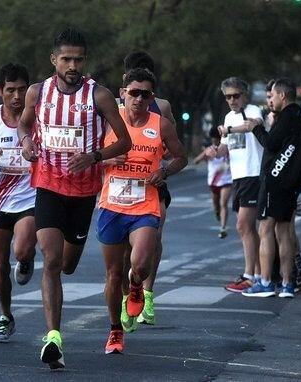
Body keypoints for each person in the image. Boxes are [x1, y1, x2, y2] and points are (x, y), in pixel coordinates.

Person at [17, 28, 131, 369]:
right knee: (51, 260)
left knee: (67, 264)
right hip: (48, 185)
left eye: (78, 59)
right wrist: (25, 143)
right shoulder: (38, 93)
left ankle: (55, 330)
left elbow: (123, 142)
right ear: (54, 60)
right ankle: (53, 337)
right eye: (66, 58)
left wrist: (94, 156)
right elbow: (24, 126)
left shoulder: (100, 96)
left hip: (83, 192)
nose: (72, 65)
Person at [99, 68, 186, 355]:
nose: (138, 98)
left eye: (145, 94)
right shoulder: (109, 121)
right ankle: (115, 330)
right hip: (112, 205)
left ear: (152, 97)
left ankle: (137, 285)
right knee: (113, 274)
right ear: (122, 92)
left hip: (145, 204)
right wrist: (108, 160)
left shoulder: (161, 125)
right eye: (133, 92)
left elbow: (181, 157)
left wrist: (164, 170)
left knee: (141, 264)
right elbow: (90, 157)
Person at [119, 51, 179, 330]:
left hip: (152, 185)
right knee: (121, 250)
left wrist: (162, 163)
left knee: (154, 237)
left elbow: (172, 145)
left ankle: (148, 293)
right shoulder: (114, 107)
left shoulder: (162, 106)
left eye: (146, 90)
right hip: (119, 187)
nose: (139, 96)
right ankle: (126, 296)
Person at [0, 63, 36, 343]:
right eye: (10, 90)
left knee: (23, 249)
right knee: (0, 263)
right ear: (0, 91)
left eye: (22, 90)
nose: (16, 96)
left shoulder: (37, 118)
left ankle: (26, 261)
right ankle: (6, 316)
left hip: (30, 197)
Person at [241, 78, 301, 298]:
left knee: (265, 230)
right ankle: (288, 284)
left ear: (282, 95)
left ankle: (266, 281)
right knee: (285, 232)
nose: (270, 99)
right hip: (291, 182)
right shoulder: (299, 118)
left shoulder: (287, 117)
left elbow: (270, 144)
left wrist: (256, 128)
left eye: (272, 95)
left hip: (274, 181)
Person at [206, 77, 263, 293]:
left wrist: (228, 130)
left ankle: (250, 275)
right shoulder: (228, 117)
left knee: (242, 225)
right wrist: (215, 151)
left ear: (244, 95)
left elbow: (251, 126)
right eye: (228, 97)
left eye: (236, 96)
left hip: (254, 174)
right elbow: (224, 148)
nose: (232, 100)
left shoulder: (253, 110)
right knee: (248, 228)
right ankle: (258, 273)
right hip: (238, 177)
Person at [194, 126, 232, 238]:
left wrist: (226, 167)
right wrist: (204, 156)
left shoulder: (227, 149)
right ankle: (217, 213)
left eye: (217, 139)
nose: (215, 141)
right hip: (213, 182)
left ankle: (223, 228)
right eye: (213, 139)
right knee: (216, 206)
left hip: (226, 180)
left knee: (223, 204)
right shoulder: (209, 150)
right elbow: (196, 161)